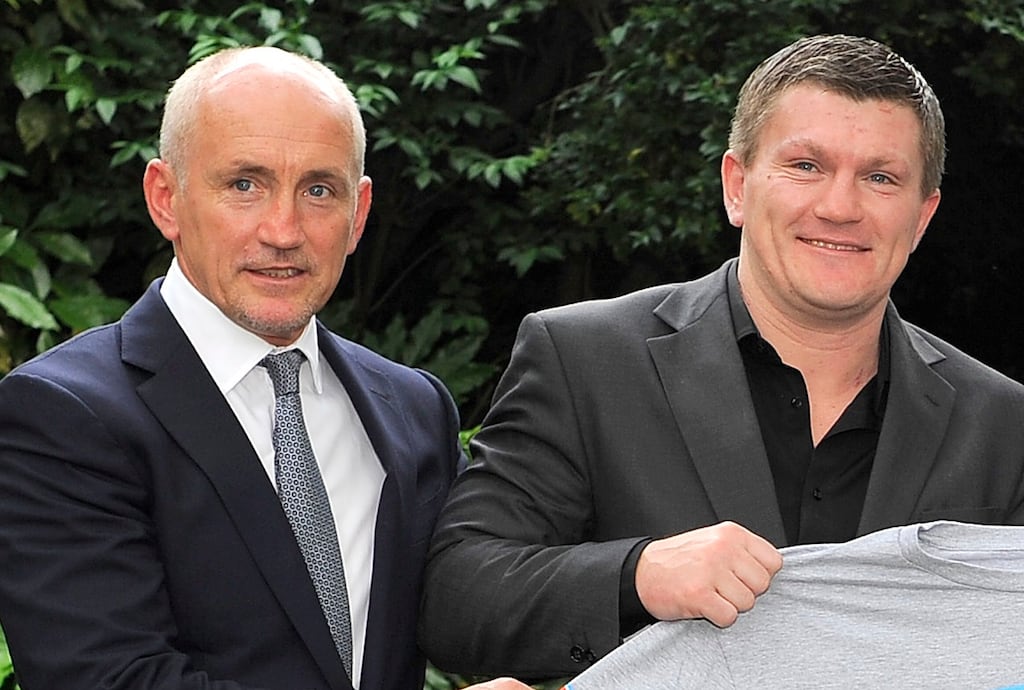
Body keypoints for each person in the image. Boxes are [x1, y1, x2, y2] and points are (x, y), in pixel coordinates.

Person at [418, 33, 1024, 681]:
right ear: (737, 186)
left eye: (880, 177)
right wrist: (638, 576)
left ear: (922, 215)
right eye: (806, 166)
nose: (840, 207)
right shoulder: (583, 360)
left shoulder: (1004, 424)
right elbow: (456, 598)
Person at [0, 45, 520, 690]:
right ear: (166, 198)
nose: (283, 230)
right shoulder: (62, 413)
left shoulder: (413, 406)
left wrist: (642, 577)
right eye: (244, 184)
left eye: (318, 190)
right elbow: (109, 678)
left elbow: (478, 606)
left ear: (358, 214)